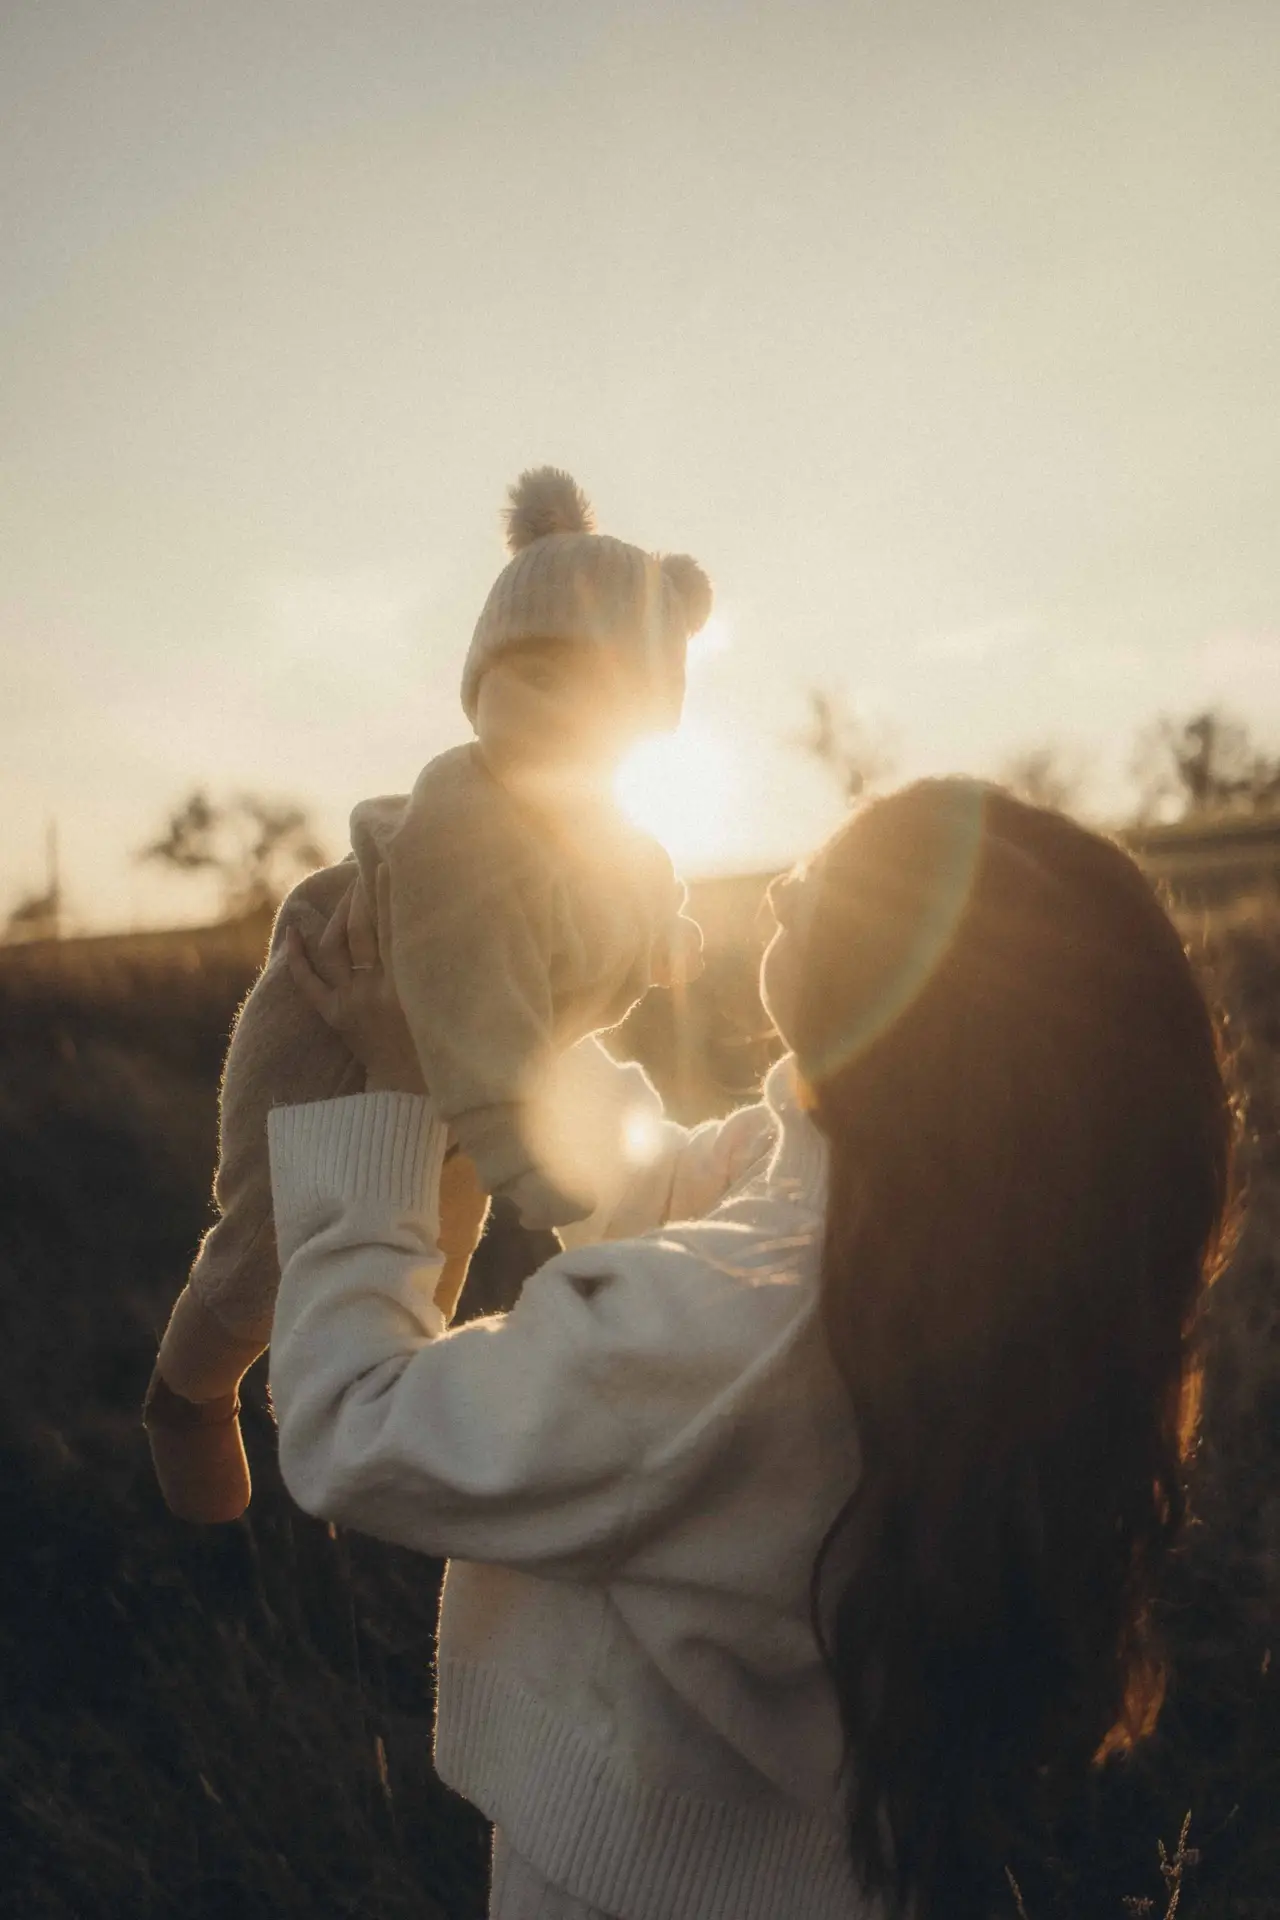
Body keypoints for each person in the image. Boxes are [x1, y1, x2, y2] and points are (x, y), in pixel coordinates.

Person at [269, 779, 1235, 1920]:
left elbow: (352, 1422)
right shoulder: (932, 1234)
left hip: (625, 1888)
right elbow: (669, 1182)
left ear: (907, 988)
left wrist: (387, 1103)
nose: (786, 880)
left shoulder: (712, 1332)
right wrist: (474, 1025)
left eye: (833, 877)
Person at [143, 467, 709, 1524]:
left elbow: (632, 900)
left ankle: (374, 1382)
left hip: (470, 1068)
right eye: (525, 678)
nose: (551, 715)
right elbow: (459, 977)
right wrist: (504, 1127)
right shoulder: (468, 817)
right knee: (272, 1238)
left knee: (439, 1240)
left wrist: (663, 939)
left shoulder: (614, 833)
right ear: (475, 684)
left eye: (595, 693)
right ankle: (191, 1392)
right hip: (335, 1031)